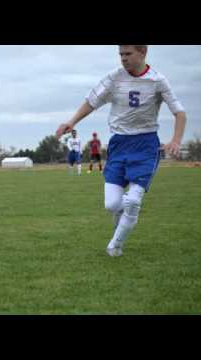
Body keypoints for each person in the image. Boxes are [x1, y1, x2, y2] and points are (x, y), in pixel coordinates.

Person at [56, 45, 186, 257]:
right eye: (121, 54)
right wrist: (71, 122)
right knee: (112, 205)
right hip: (119, 145)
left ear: (143, 52)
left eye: (128, 54)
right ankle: (122, 228)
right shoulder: (113, 78)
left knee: (133, 201)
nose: (123, 59)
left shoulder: (158, 80)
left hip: (146, 145)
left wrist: (176, 140)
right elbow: (91, 102)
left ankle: (115, 246)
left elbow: (180, 112)